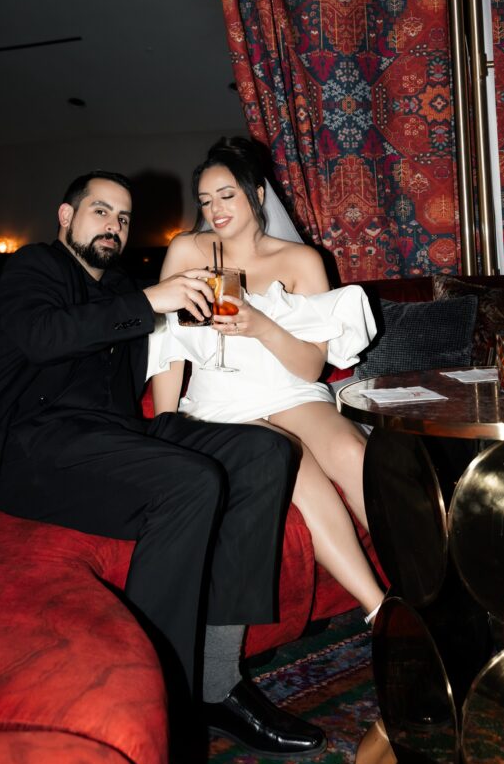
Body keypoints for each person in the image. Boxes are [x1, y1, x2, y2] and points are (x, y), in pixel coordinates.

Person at [0, 170, 325, 764]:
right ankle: (161, 727)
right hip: (31, 446)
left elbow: (164, 360)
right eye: (101, 212)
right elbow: (45, 338)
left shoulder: (123, 286)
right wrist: (154, 301)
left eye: (123, 219)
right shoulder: (33, 270)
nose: (114, 227)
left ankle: (217, 685)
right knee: (189, 484)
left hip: (113, 436)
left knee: (262, 450)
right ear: (66, 217)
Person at [150, 139, 385, 625]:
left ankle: (427, 586)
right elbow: (167, 348)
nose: (214, 209)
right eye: (206, 199)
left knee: (353, 452)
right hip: (219, 400)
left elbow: (310, 369)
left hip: (291, 390)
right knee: (293, 463)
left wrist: (261, 324)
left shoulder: (301, 261)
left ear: (256, 194)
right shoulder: (186, 250)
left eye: (226, 195)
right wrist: (166, 420)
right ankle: (381, 609)